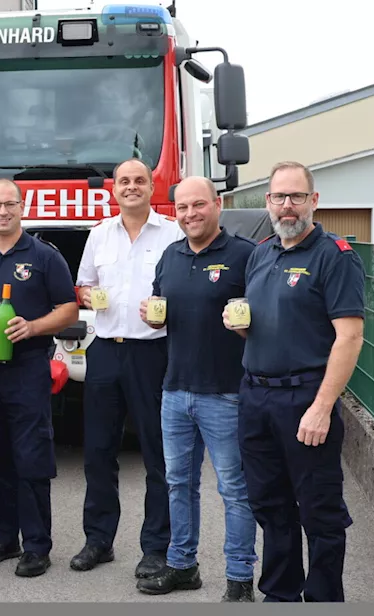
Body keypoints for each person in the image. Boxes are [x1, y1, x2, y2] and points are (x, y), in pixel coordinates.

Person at [225, 161, 364, 603]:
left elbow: (350, 336)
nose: (287, 206)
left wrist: (322, 407)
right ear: (266, 202)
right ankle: (281, 596)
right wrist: (239, 325)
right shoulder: (261, 253)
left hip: (305, 398)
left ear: (313, 201)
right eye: (278, 197)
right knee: (270, 505)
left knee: (319, 511)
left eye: (296, 196)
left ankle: (323, 600)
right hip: (256, 397)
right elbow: (268, 323)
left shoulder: (334, 255)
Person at [135, 176, 258, 601]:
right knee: (179, 484)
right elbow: (161, 309)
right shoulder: (170, 256)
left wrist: (249, 325)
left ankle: (240, 579)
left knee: (234, 491)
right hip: (175, 391)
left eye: (198, 205)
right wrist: (153, 319)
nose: (189, 214)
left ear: (217, 205)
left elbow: (263, 317)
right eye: (182, 207)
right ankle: (182, 566)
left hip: (226, 393)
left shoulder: (245, 255)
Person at [0, 179, 79, 578]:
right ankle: (4, 538)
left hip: (28, 369)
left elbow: (69, 310)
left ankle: (37, 545)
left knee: (31, 458)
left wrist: (34, 327)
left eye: (10, 204)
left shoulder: (44, 256)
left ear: (22, 207)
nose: (2, 211)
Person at [72, 158, 184, 579]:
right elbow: (83, 284)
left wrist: (168, 312)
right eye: (124, 181)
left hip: (153, 353)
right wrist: (87, 296)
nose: (132, 187)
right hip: (104, 349)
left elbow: (185, 288)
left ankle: (156, 547)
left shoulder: (173, 232)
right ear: (113, 189)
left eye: (140, 180)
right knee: (98, 452)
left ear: (152, 186)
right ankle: (98, 540)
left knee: (159, 455)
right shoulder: (99, 234)